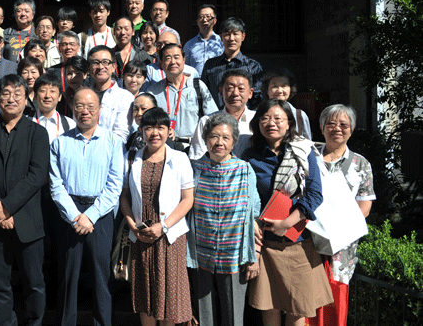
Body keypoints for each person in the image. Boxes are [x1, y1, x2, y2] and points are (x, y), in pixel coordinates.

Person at [243, 99, 333, 326]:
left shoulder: (303, 152)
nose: (271, 123)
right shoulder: (250, 156)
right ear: (257, 123)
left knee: (298, 307)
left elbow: (314, 194)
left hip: (298, 242)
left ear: (289, 123)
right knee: (269, 305)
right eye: (265, 118)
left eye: (277, 119)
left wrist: (287, 223)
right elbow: (243, 198)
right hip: (265, 245)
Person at [0, 74, 50, 326]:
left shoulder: (38, 133)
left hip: (27, 220)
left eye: (17, 94)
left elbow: (37, 175)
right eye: (5, 94)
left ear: (27, 99)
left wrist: (7, 206)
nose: (11, 99)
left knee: (34, 283)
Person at [49, 87, 125, 326]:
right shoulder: (60, 142)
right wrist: (75, 215)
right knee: (67, 277)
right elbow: (55, 185)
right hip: (68, 215)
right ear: (72, 108)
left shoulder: (113, 142)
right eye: (80, 106)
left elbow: (114, 185)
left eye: (91, 107)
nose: (85, 111)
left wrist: (90, 216)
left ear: (99, 109)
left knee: (102, 277)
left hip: (100, 215)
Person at [119, 107, 195, 326]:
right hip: (141, 235)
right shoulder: (131, 158)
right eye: (149, 127)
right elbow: (124, 196)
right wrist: (133, 225)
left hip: (170, 237)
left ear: (168, 130)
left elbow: (187, 199)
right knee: (145, 292)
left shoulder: (179, 158)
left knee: (168, 295)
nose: (155, 133)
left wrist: (164, 226)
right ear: (141, 131)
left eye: (160, 127)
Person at [188, 113, 261, 326]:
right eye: (214, 136)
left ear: (234, 142)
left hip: (235, 254)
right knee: (204, 315)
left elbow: (254, 214)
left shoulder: (244, 169)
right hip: (201, 253)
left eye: (226, 137)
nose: (219, 142)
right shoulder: (194, 168)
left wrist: (254, 254)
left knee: (233, 315)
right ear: (205, 139)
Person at [318, 105, 375, 286]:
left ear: (352, 129)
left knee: (336, 293)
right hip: (308, 240)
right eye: (331, 124)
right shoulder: (309, 158)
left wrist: (336, 229)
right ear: (322, 127)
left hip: (342, 245)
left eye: (343, 125)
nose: (337, 129)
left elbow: (364, 208)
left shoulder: (361, 164)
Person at [146, 43, 217, 149]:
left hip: (193, 147)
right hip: (164, 147)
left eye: (176, 57)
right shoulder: (153, 91)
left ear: (184, 60)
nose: (173, 62)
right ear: (161, 62)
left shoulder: (197, 86)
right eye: (167, 58)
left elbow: (213, 118)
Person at [189, 68, 256, 160]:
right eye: (230, 88)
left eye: (241, 89)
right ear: (221, 92)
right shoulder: (207, 121)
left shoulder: (258, 120)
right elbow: (197, 157)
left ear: (250, 93)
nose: (235, 93)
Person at [201, 17, 263, 110]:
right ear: (221, 37)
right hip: (215, 116)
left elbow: (258, 97)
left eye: (235, 34)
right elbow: (203, 94)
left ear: (243, 36)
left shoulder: (253, 66)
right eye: (227, 35)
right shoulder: (210, 65)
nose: (231, 38)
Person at [88, 45, 134, 141]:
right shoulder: (84, 96)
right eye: (95, 63)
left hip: (112, 148)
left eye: (105, 62)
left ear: (113, 67)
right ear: (89, 68)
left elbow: (121, 134)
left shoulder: (125, 97)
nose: (100, 67)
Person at [262, 68, 312, 139]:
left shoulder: (299, 116)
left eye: (284, 86)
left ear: (291, 89)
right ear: (267, 90)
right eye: (275, 86)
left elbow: (307, 143)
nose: (279, 91)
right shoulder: (259, 114)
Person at [30, 74, 76, 143]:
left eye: (52, 91)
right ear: (35, 96)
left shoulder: (70, 125)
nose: (47, 96)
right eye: (43, 91)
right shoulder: (26, 123)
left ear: (60, 97)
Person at [183, 4, 223, 76]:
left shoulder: (222, 42)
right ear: (197, 21)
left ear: (215, 21)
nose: (204, 20)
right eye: (201, 17)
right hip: (195, 81)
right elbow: (185, 67)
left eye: (208, 17)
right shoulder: (189, 45)